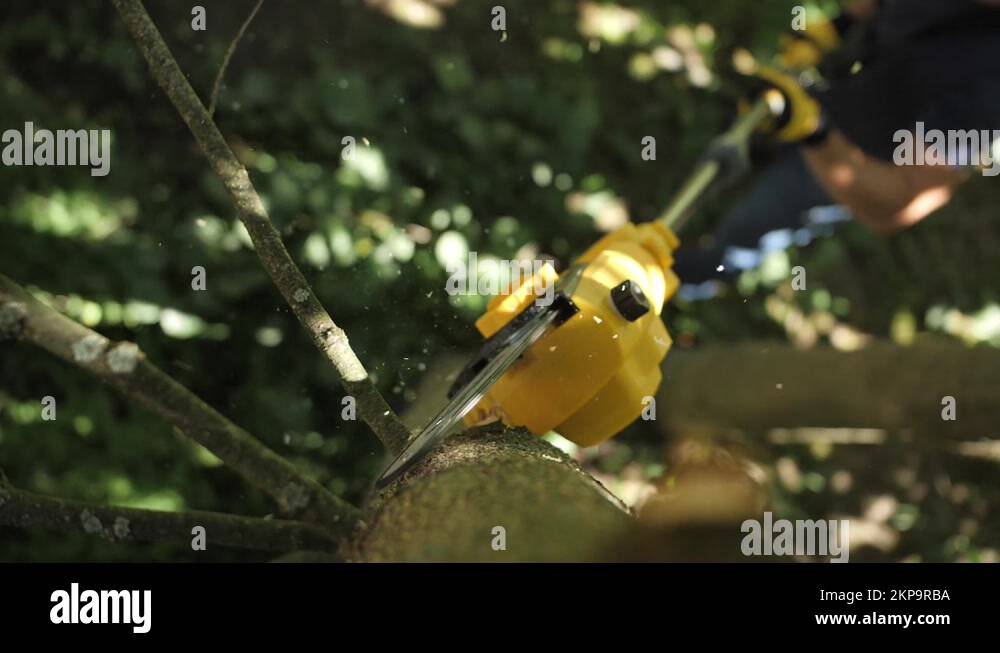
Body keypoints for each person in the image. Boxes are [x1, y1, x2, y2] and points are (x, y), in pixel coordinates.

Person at [673, 0, 1000, 295]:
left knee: (749, 227)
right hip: (836, 98)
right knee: (729, 155)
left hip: (848, 163)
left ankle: (687, 279)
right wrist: (837, 27)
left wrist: (815, 134)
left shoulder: (989, 94)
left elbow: (898, 204)